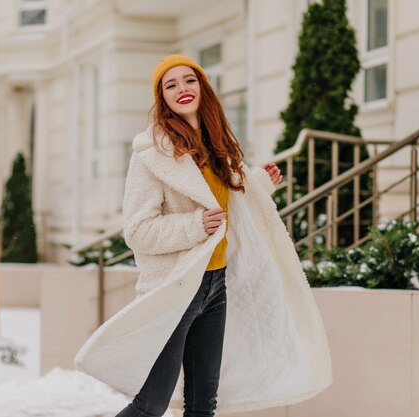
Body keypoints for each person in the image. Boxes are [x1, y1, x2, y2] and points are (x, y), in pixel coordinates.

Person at [75, 55, 332, 416]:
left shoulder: (218, 145)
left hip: (215, 286)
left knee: (203, 404)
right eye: (171, 85)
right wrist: (195, 226)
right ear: (161, 98)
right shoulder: (153, 154)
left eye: (189, 80)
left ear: (202, 87)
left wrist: (257, 184)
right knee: (151, 404)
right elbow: (137, 230)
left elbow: (227, 203)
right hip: (176, 289)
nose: (182, 89)